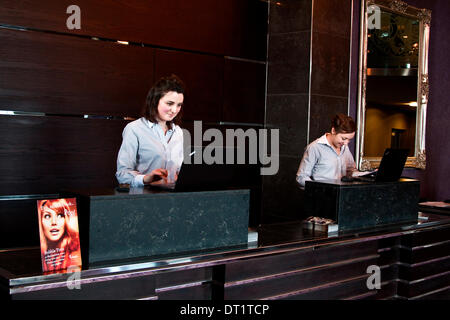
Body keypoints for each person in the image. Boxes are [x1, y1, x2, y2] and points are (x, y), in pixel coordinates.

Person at [116, 75, 185, 187]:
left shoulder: (178, 132)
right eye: (169, 103)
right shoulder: (134, 129)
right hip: (144, 198)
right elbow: (122, 174)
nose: (174, 110)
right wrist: (146, 178)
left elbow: (179, 170)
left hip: (173, 197)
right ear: (155, 100)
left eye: (179, 105)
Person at [296, 113, 357, 187]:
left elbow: (351, 169)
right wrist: (320, 189)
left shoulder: (344, 147)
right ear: (333, 131)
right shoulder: (314, 148)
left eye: (349, 140)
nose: (346, 143)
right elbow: (301, 177)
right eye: (344, 138)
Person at [37, 198, 82, 272]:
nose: (54, 222)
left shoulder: (75, 255)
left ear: (66, 220)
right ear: (40, 221)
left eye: (60, 215)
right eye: (47, 216)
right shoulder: (43, 255)